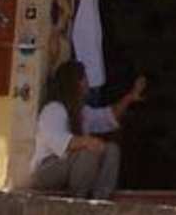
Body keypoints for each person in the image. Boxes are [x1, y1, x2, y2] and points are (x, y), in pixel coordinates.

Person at [31, 60, 145, 198]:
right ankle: (79, 200)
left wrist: (130, 97)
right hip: (47, 171)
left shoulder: (82, 112)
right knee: (88, 151)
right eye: (84, 78)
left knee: (111, 149)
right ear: (75, 83)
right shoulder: (54, 109)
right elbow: (62, 142)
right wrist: (87, 142)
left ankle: (100, 199)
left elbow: (108, 116)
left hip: (70, 167)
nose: (87, 83)